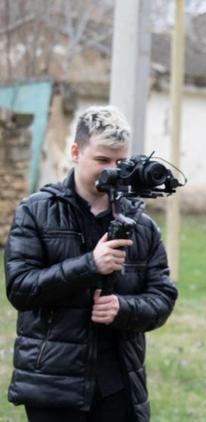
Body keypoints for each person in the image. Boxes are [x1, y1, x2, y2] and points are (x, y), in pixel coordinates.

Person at [5, 106, 178, 421]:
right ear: (75, 151)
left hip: (118, 386)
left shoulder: (141, 224)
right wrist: (89, 265)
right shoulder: (35, 212)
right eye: (101, 160)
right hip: (53, 386)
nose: (112, 170)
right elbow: (20, 289)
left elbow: (163, 297)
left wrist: (122, 308)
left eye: (119, 161)